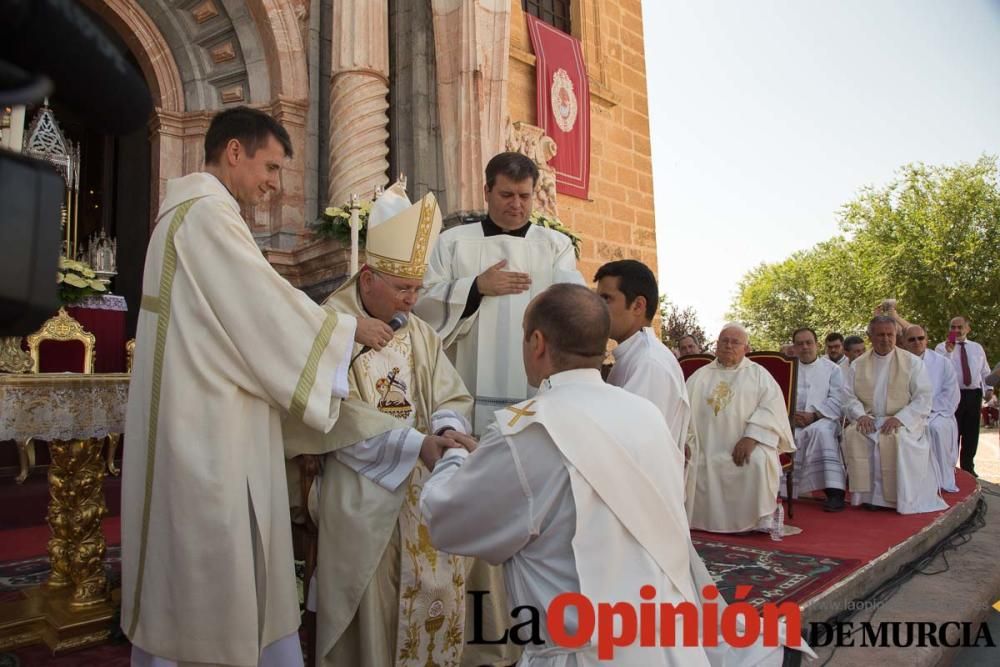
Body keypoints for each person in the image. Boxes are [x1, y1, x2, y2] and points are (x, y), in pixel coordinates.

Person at [121, 107, 391, 667]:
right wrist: (347, 330)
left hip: (199, 406)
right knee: (217, 560)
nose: (274, 182)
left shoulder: (182, 215)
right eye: (270, 166)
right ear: (234, 151)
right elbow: (261, 304)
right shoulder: (207, 216)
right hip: (212, 421)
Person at [420, 285, 804, 666]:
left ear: (537, 342)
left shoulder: (525, 431)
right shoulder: (644, 413)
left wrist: (454, 457)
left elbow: (447, 521)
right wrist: (490, 460)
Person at [283, 184, 487, 667]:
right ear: (369, 276)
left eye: (418, 289)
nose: (413, 301)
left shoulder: (415, 328)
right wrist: (415, 446)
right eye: (403, 288)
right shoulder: (331, 325)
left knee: (474, 521)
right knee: (370, 528)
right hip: (357, 470)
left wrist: (448, 429)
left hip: (423, 457)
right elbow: (331, 415)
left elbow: (448, 390)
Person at [414, 152, 585, 434]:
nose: (516, 204)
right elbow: (423, 305)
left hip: (533, 384)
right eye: (506, 194)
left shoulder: (555, 246)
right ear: (487, 191)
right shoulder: (453, 242)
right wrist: (475, 287)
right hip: (466, 376)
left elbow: (572, 307)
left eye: (524, 196)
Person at [685, 323, 795, 533]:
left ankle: (756, 522)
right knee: (689, 461)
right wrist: (684, 441)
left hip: (745, 443)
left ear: (746, 348)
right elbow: (683, 412)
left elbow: (772, 409)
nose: (728, 346)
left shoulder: (759, 375)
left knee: (759, 461)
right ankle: (700, 519)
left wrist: (752, 437)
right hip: (705, 444)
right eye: (724, 341)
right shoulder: (699, 377)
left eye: (735, 342)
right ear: (716, 346)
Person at [840, 316, 946, 513]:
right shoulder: (858, 364)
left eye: (890, 334)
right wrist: (860, 415)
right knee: (855, 435)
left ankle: (895, 499)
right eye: (880, 334)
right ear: (870, 336)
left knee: (896, 438)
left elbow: (923, 397)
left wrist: (901, 418)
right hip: (869, 419)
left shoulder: (912, 363)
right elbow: (848, 396)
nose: (886, 339)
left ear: (896, 335)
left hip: (901, 420)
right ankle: (868, 497)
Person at [595, 259, 689, 449]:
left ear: (638, 306)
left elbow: (630, 442)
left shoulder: (649, 363)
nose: (597, 308)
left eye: (606, 299)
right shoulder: (634, 355)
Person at [788, 328, 846, 511]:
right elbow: (779, 397)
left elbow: (838, 399)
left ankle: (834, 492)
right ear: (794, 347)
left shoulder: (833, 370)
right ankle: (784, 489)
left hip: (824, 419)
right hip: (792, 421)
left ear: (817, 345)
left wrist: (814, 415)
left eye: (808, 342)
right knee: (783, 434)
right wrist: (791, 417)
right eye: (799, 344)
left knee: (820, 432)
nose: (805, 347)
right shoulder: (789, 367)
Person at [903, 325, 960, 492]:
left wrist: (928, 411)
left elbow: (950, 393)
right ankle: (912, 483)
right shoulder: (899, 363)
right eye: (911, 339)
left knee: (935, 429)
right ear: (904, 343)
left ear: (927, 340)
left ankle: (941, 480)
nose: (917, 342)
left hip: (939, 412)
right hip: (908, 413)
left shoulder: (943, 363)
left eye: (920, 338)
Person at [934, 316, 993, 476]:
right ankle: (949, 469)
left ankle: (968, 469)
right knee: (953, 433)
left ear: (968, 329)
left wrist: (989, 388)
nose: (956, 331)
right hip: (952, 395)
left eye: (960, 327)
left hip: (973, 395)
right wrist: (948, 352)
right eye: (953, 327)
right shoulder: (941, 348)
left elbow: (984, 371)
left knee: (971, 433)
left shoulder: (976, 348)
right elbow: (938, 370)